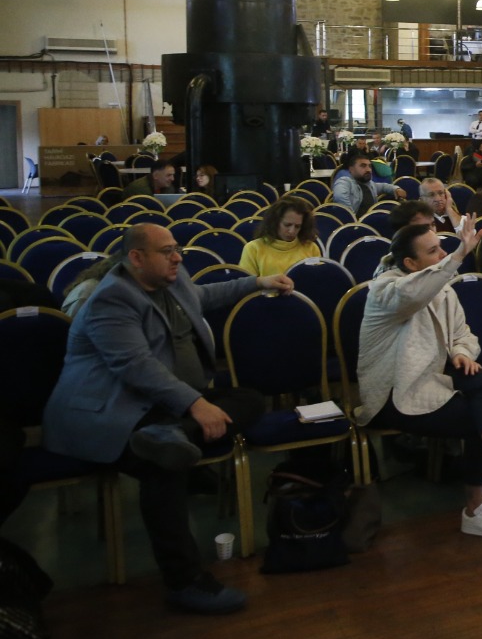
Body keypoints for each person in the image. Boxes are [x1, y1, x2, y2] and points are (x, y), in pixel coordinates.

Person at [41, 224, 293, 614]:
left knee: (248, 399)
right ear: (136, 258)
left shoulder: (171, 279)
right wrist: (196, 404)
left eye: (177, 249)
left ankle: (172, 432)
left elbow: (204, 296)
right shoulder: (111, 299)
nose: (178, 257)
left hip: (159, 410)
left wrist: (258, 282)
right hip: (108, 411)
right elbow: (135, 365)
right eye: (166, 251)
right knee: (164, 466)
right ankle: (185, 581)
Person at [358, 221, 482, 541]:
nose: (443, 254)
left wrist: (460, 352)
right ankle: (475, 509)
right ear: (410, 264)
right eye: (433, 251)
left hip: (433, 381)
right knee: (478, 421)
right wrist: (458, 255)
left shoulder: (443, 288)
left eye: (442, 248)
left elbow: (463, 334)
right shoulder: (385, 289)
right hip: (394, 394)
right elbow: (411, 295)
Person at [238, 197, 322, 277]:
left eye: (297, 226)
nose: (292, 231)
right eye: (287, 225)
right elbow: (246, 288)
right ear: (275, 222)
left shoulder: (311, 248)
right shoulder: (253, 249)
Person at [331, 150, 405, 214]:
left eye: (369, 166)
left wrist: (396, 189)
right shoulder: (344, 182)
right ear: (351, 169)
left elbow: (383, 186)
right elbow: (340, 197)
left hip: (371, 220)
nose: (368, 170)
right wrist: (352, 217)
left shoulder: (369, 184)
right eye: (363, 166)